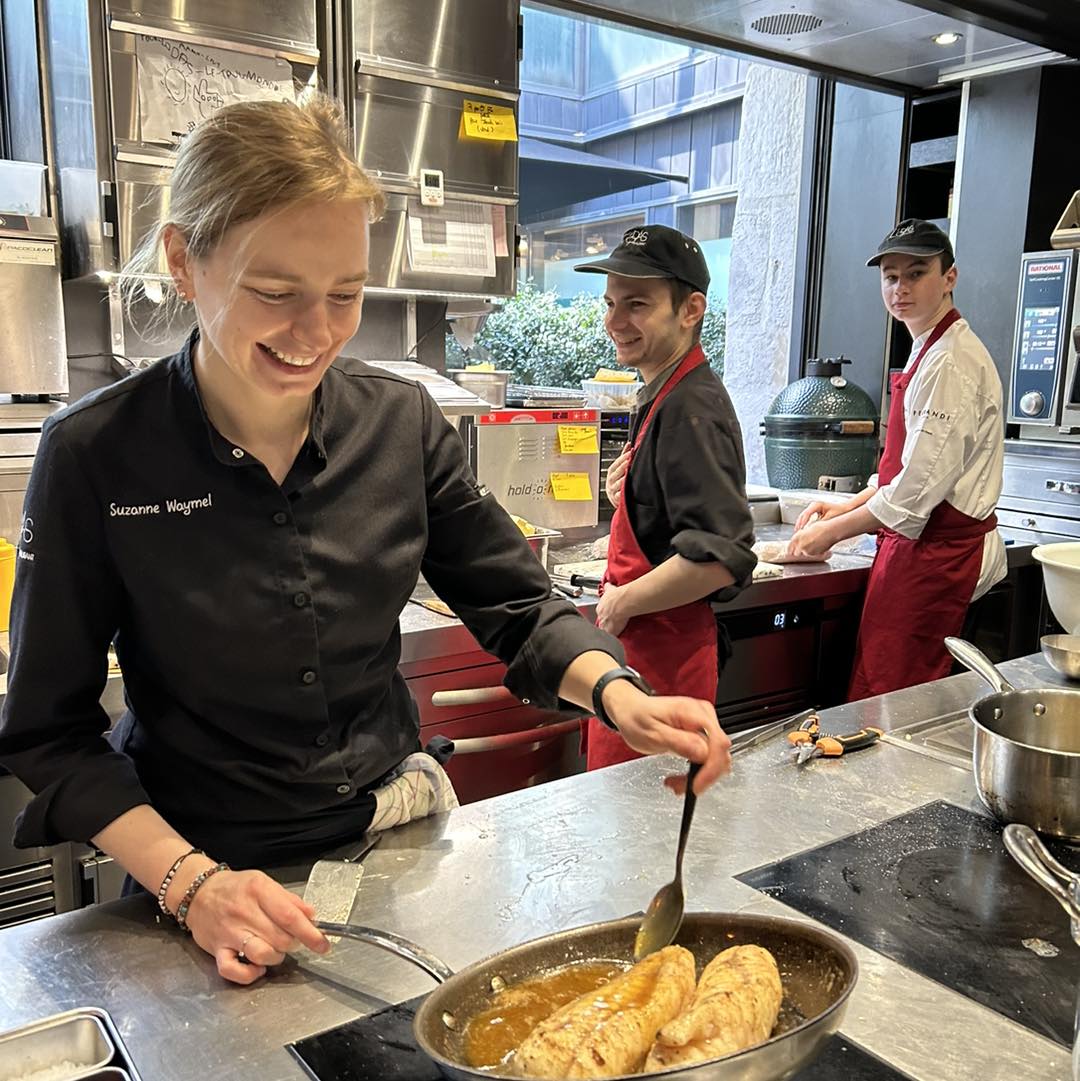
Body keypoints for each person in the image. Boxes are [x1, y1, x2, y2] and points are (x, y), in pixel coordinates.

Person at [0, 97, 732, 985]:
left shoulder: (399, 423)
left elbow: (516, 602)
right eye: (276, 294)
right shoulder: (95, 454)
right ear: (185, 262)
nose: (315, 334)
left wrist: (618, 693)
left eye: (345, 295)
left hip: (392, 848)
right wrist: (193, 885)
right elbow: (49, 731)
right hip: (196, 871)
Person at [788, 218, 1006, 700]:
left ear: (949, 277)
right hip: (919, 548)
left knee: (896, 700)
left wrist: (829, 533)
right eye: (890, 276)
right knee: (884, 691)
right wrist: (846, 507)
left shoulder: (949, 361)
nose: (900, 288)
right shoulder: (928, 346)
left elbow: (913, 495)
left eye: (916, 273)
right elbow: (908, 468)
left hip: (935, 557)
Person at [572, 225, 757, 771]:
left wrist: (621, 602)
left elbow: (720, 558)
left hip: (663, 670)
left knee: (643, 816)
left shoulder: (690, 408)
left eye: (637, 304)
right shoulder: (663, 391)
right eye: (610, 304)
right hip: (639, 662)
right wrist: (630, 493)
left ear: (690, 310)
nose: (614, 322)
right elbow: (672, 525)